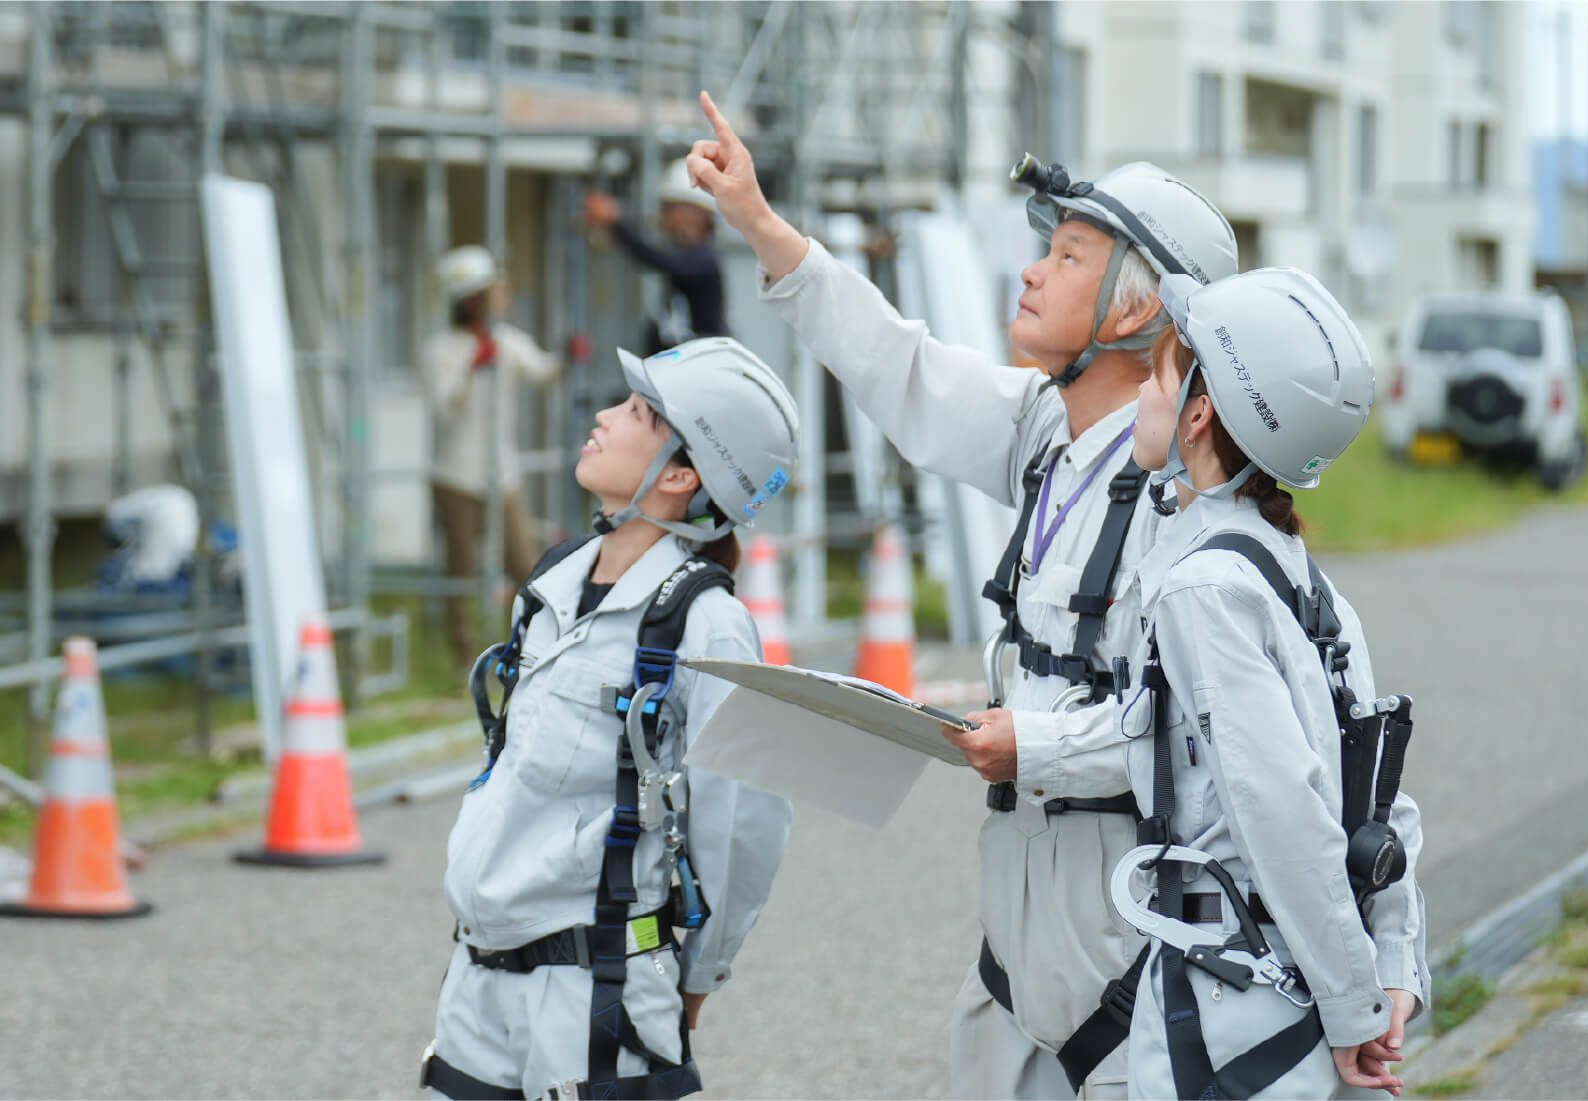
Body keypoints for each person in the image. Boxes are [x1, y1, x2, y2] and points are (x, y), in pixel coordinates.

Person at [684, 91, 1239, 1097]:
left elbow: (1210, 722)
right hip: (1015, 899)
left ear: (1136, 308)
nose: (1031, 269)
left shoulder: (1186, 494)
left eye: (1068, 256)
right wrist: (760, 224)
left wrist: (1034, 744)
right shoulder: (1044, 431)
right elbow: (899, 368)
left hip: (1128, 907)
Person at [421, 336, 799, 1100]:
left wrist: (699, 971)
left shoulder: (706, 624)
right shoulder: (553, 582)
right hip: (476, 976)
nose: (603, 415)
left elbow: (742, 822)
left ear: (683, 475)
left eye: (637, 413)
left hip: (595, 993)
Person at [1114, 267, 1429, 1098]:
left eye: (1153, 376)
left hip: (1230, 1006)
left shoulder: (1201, 589)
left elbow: (1281, 808)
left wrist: (1354, 1008)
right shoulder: (1299, 575)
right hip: (1291, 998)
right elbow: (1380, 803)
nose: (1138, 399)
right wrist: (1384, 971)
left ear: (1200, 410)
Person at [426, 245, 563, 667]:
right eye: (491, 288)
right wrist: (471, 368)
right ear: (470, 299)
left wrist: (567, 357)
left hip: (502, 473)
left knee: (523, 563)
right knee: (461, 572)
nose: (502, 293)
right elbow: (443, 409)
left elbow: (542, 372)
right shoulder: (441, 348)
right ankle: (464, 659)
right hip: (456, 475)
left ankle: (531, 653)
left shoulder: (507, 341)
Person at [585, 159, 729, 354]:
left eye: (672, 209)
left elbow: (659, 259)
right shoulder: (692, 255)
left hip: (700, 366)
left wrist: (616, 223)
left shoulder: (704, 258)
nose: (666, 217)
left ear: (697, 213)